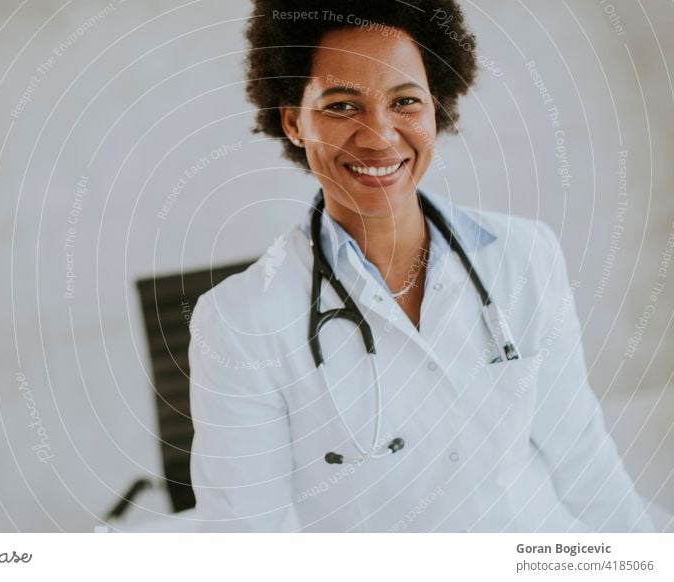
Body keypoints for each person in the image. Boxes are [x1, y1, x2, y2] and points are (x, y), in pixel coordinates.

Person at [186, 0, 655, 532]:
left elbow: (581, 455)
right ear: (293, 121)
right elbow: (247, 536)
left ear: (438, 108)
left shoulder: (524, 254)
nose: (380, 135)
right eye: (342, 106)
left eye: (405, 101)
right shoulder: (240, 320)